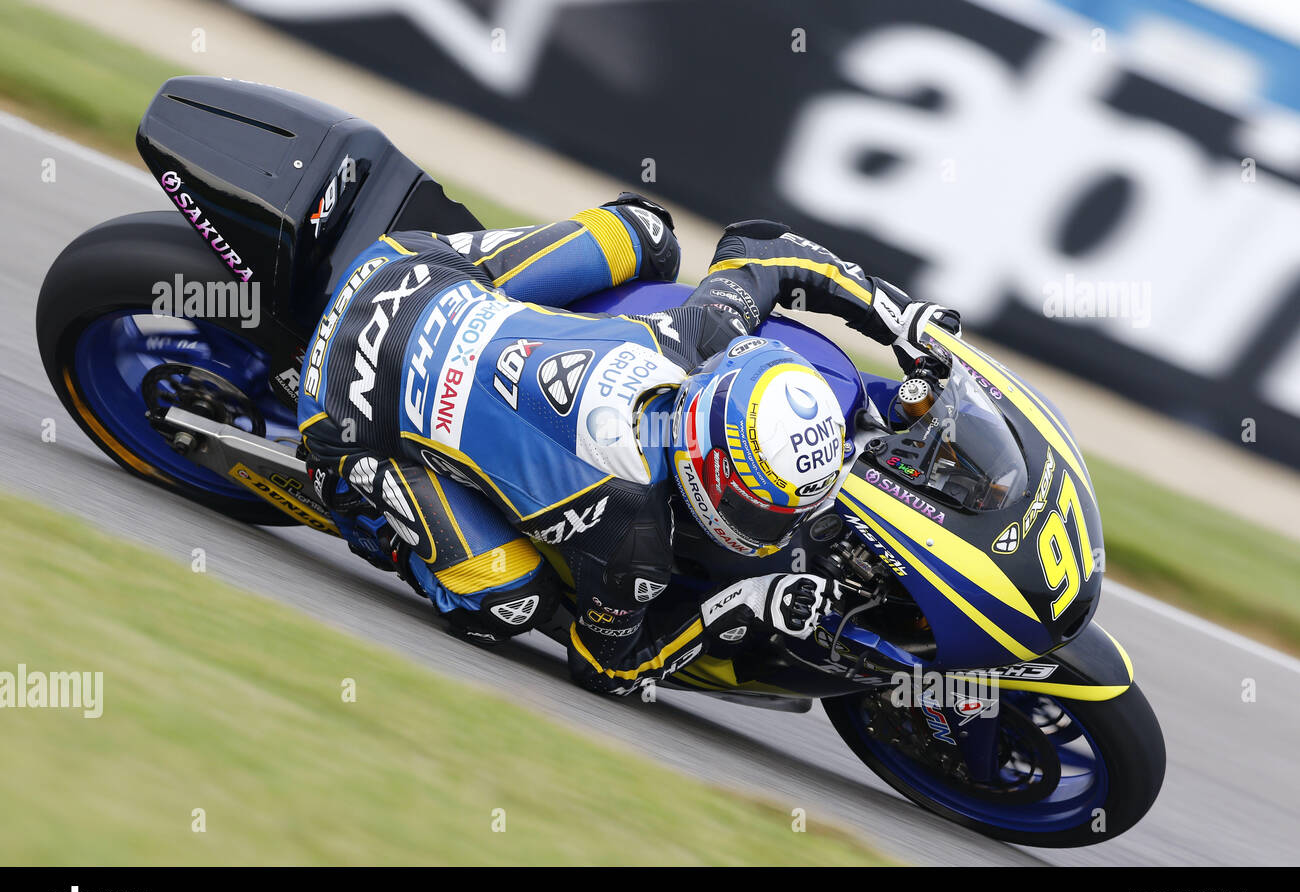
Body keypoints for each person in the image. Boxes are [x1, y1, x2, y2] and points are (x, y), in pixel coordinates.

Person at [297, 192, 959, 694]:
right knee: (511, 603)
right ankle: (359, 508)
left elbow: (759, 248)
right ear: (709, 471)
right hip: (355, 412)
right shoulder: (633, 534)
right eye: (763, 509)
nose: (776, 527)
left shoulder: (704, 335)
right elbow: (608, 667)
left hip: (417, 268)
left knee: (647, 230)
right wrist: (746, 599)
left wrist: (898, 317)